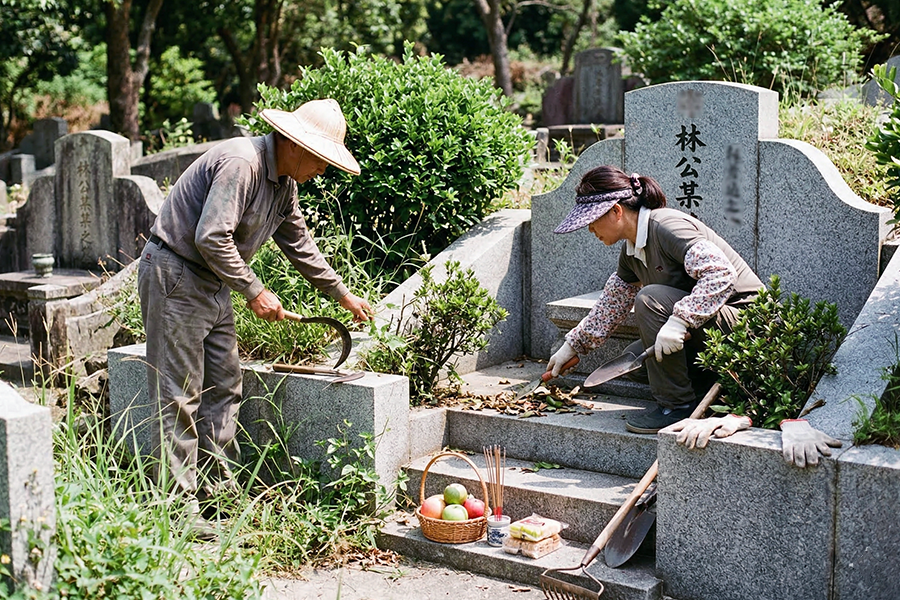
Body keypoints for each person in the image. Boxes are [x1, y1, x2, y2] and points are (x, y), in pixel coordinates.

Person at [138, 98, 373, 536]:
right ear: (295, 144)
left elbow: (298, 242)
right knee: (178, 394)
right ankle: (176, 508)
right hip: (176, 274)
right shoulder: (242, 163)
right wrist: (255, 290)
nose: (322, 170)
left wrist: (342, 295)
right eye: (320, 159)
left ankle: (219, 492)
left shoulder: (284, 184)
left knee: (224, 386)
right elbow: (211, 236)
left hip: (213, 282)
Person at [547, 165, 763, 434]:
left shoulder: (666, 227)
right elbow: (612, 304)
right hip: (712, 329)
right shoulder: (631, 251)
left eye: (592, 220)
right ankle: (705, 391)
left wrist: (680, 321)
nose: (590, 229)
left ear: (616, 211)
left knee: (650, 299)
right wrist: (573, 346)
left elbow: (721, 274)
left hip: (746, 326)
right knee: (638, 362)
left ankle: (676, 406)